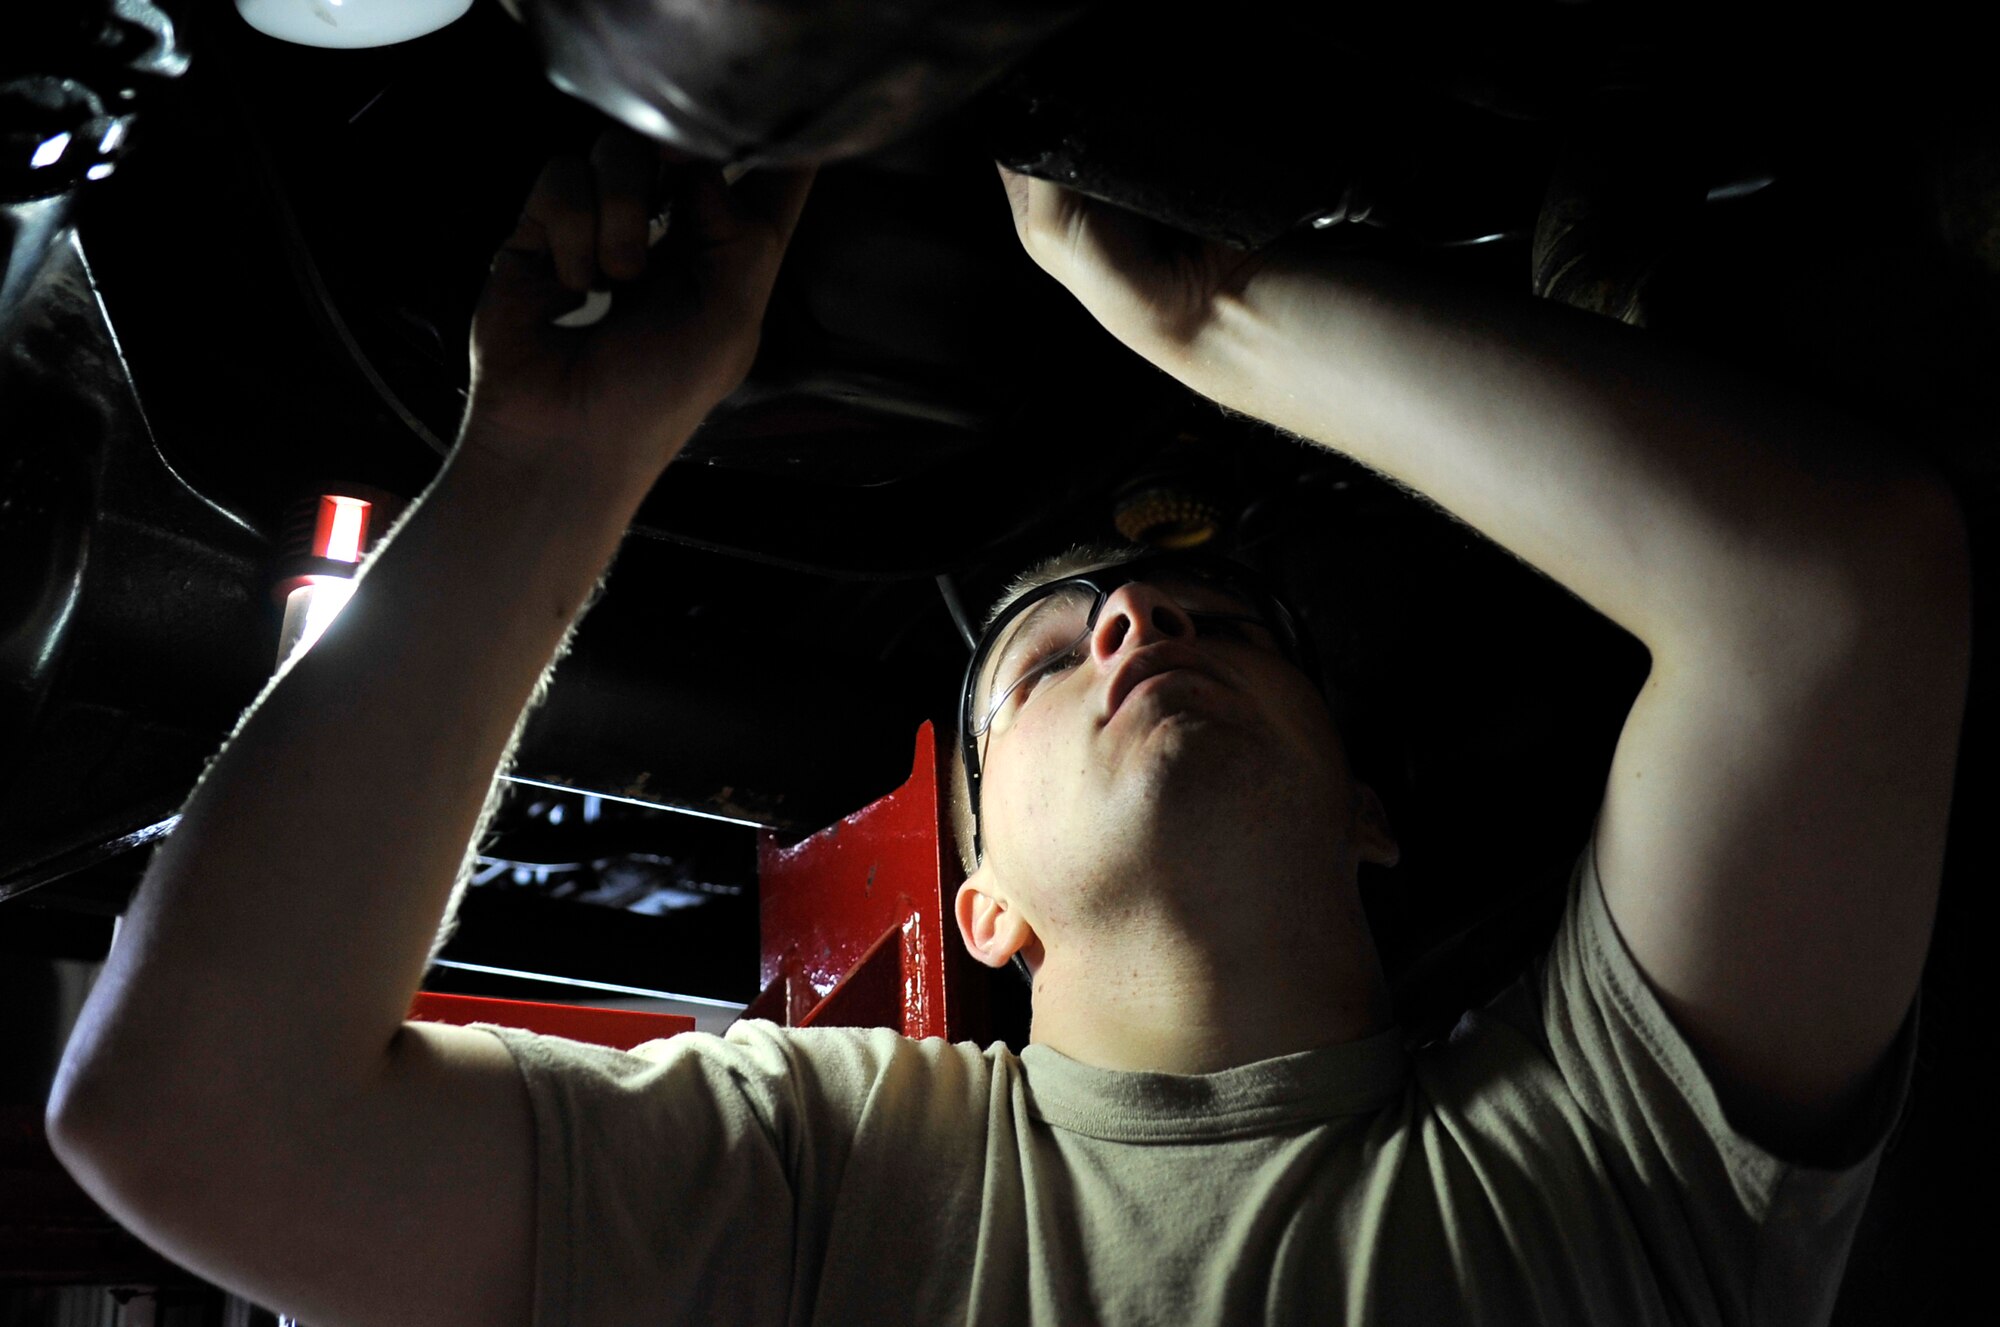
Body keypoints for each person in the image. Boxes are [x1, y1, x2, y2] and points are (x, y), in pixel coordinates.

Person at [45, 118, 1968, 1327]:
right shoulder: (820, 1175)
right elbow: (191, 1126)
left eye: (1216, 624)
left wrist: (1221, 319)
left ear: (1371, 810)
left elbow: (1836, 602)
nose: (1135, 617)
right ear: (983, 908)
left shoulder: (1615, 1133)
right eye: (1048, 665)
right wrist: (556, 458)